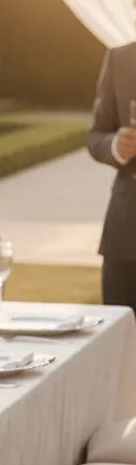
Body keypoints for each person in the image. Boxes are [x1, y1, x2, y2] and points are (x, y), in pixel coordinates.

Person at [87, 42, 136, 312]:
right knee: (121, 332)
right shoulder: (120, 59)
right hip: (126, 236)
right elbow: (96, 135)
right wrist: (116, 145)